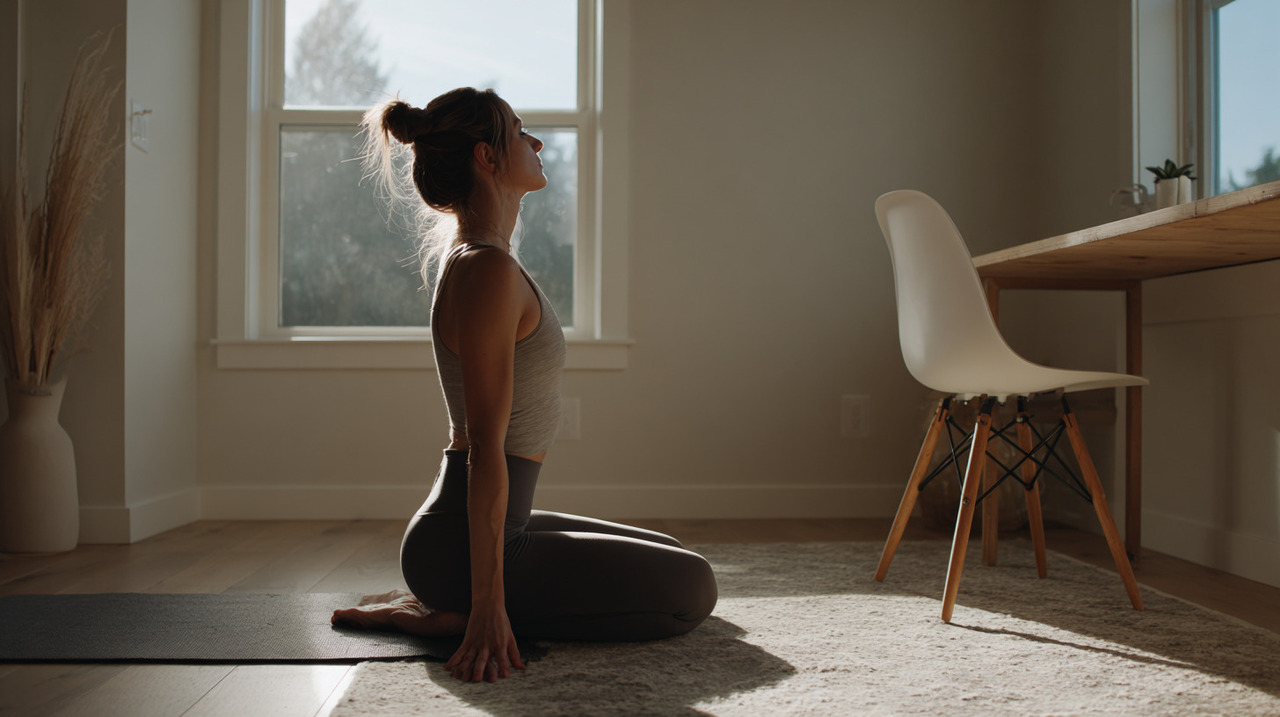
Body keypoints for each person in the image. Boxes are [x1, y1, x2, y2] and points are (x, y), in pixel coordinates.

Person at [332, 88, 718, 683]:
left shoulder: (487, 260)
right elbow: (485, 447)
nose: (535, 141)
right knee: (692, 590)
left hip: (476, 527)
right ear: (487, 156)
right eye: (518, 131)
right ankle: (461, 610)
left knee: (674, 556)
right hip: (460, 543)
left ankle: (455, 601)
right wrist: (488, 607)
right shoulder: (485, 268)